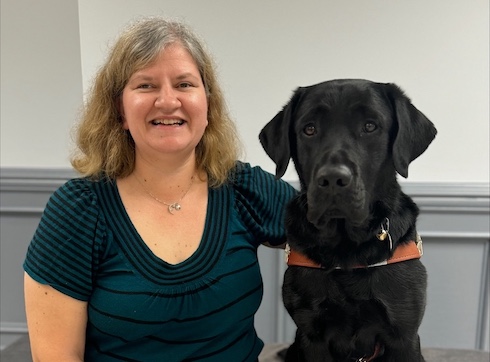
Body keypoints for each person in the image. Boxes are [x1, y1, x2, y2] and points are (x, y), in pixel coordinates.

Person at [23, 16, 296, 361]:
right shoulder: (78, 211)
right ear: (119, 111)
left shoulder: (243, 187)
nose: (168, 101)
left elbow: (339, 234)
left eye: (184, 84)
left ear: (207, 105)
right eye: (146, 85)